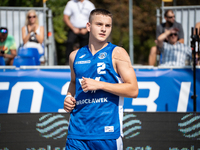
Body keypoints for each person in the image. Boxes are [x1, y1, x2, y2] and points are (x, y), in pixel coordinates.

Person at [63, 9, 138, 150]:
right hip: (77, 133)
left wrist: (100, 85)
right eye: (99, 24)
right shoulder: (74, 55)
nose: (103, 29)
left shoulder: (117, 53)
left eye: (108, 25)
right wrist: (68, 97)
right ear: (88, 26)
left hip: (106, 134)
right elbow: (73, 82)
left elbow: (133, 90)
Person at [63, 0, 95, 65]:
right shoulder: (71, 3)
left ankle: (86, 62)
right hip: (73, 29)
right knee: (69, 43)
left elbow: (94, 18)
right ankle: (68, 62)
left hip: (85, 29)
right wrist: (73, 28)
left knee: (86, 46)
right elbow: (65, 18)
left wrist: (87, 29)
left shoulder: (90, 4)